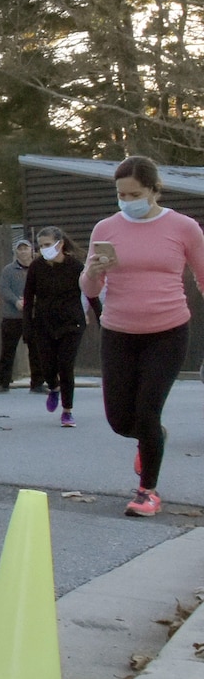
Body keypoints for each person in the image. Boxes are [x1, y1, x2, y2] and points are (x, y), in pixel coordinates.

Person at [82, 157, 204, 516]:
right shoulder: (105, 228)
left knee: (148, 410)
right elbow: (90, 287)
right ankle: (153, 439)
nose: (126, 199)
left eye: (134, 193)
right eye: (120, 194)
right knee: (120, 420)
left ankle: (146, 491)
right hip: (119, 331)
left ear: (154, 190)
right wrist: (91, 272)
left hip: (168, 331)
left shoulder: (183, 228)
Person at [22, 226, 86, 428]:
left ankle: (67, 411)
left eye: (48, 245)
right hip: (43, 323)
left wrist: (101, 317)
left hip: (71, 323)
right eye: (41, 246)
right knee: (47, 366)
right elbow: (29, 297)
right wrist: (27, 326)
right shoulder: (36, 267)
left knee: (66, 365)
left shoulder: (75, 266)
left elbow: (90, 293)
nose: (44, 249)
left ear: (60, 244)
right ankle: (53, 387)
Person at [0, 241, 34, 393]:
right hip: (12, 316)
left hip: (33, 316)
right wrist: (16, 301)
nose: (23, 252)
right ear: (16, 252)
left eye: (26, 248)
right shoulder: (8, 270)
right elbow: (4, 288)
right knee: (8, 350)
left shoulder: (37, 268)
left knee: (36, 350)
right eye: (20, 249)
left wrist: (32, 301)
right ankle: (2, 383)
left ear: (31, 250)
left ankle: (38, 383)